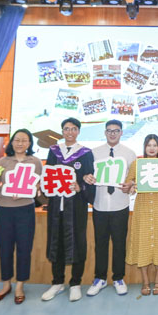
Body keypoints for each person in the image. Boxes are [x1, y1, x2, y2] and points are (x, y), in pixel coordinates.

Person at [41, 117, 94, 303]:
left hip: (76, 206)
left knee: (78, 242)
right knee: (56, 241)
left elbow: (90, 178)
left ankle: (75, 283)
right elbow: (47, 176)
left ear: (78, 131)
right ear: (62, 131)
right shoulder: (54, 151)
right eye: (66, 129)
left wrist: (81, 187)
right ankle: (57, 282)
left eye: (73, 129)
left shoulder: (85, 153)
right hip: (56, 206)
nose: (70, 132)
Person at [84, 120, 137, 297]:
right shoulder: (94, 153)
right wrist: (87, 178)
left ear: (121, 132)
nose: (112, 134)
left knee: (119, 243)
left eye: (116, 131)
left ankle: (118, 278)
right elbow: (87, 175)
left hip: (120, 205)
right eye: (109, 131)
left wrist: (131, 185)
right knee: (100, 244)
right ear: (105, 133)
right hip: (99, 205)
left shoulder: (129, 154)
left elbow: (134, 180)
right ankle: (100, 278)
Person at [0, 129, 42, 305]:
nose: (20, 143)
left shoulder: (35, 162)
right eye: (17, 140)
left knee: (24, 248)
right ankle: (6, 284)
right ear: (12, 142)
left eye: (24, 140)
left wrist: (31, 191)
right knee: (5, 248)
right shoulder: (3, 161)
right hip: (4, 209)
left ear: (30, 144)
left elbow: (38, 186)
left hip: (25, 210)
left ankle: (20, 285)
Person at [123, 134, 158, 296]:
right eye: (149, 145)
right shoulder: (137, 164)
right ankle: (145, 282)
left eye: (155, 145)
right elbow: (127, 186)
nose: (152, 148)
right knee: (143, 243)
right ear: (144, 147)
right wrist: (132, 186)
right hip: (143, 207)